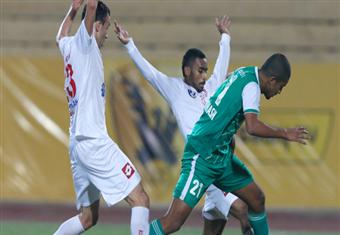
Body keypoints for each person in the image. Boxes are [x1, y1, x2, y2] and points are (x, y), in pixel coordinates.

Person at [114, 17, 253, 235]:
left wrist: (225, 36)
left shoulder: (213, 86)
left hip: (218, 165)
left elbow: (223, 62)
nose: (205, 75)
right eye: (200, 70)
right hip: (202, 165)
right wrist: (129, 45)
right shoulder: (174, 89)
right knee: (243, 210)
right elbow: (150, 74)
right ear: (187, 71)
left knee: (215, 227)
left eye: (206, 70)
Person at [144, 53, 309, 235]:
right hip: (201, 156)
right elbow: (252, 127)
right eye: (281, 86)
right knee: (173, 223)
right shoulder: (252, 87)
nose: (279, 91)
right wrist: (285, 133)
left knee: (256, 199)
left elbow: (228, 84)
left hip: (220, 157)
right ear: (272, 80)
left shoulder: (245, 72)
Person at [54, 1, 150, 234]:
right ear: (96, 25)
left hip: (77, 146)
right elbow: (91, 9)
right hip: (94, 142)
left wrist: (72, 9)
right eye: (106, 27)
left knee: (88, 218)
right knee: (141, 199)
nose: (107, 34)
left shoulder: (69, 47)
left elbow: (60, 36)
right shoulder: (85, 44)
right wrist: (84, 8)